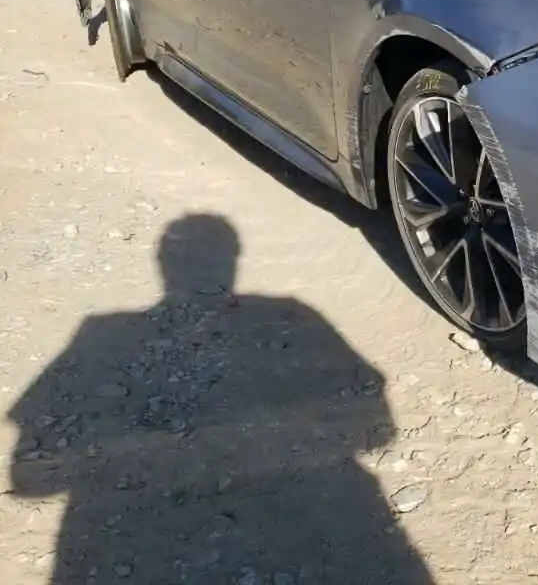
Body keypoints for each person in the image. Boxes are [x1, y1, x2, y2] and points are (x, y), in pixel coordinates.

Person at [8, 213, 433, 584]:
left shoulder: (99, 331)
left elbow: (32, 476)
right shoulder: (295, 312)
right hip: (345, 509)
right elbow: (379, 429)